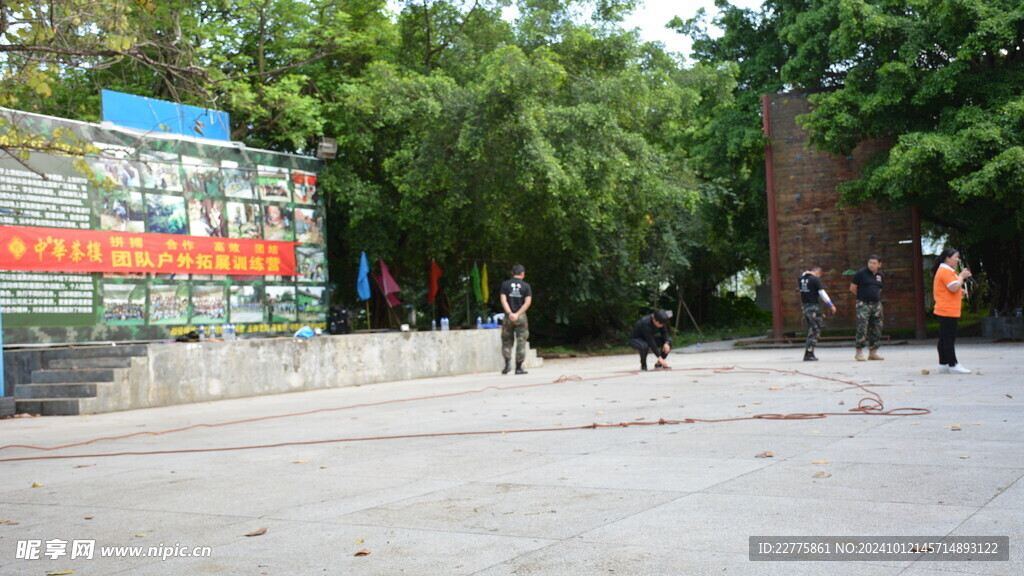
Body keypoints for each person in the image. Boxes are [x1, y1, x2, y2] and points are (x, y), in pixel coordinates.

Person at [932, 248, 973, 374]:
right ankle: (953, 364)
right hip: (947, 310)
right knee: (949, 339)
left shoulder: (947, 270)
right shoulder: (945, 270)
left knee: (944, 338)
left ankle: (943, 364)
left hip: (946, 308)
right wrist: (961, 276)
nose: (957, 259)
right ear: (947, 258)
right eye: (955, 257)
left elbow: (951, 288)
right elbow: (954, 286)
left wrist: (961, 290)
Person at [798, 265, 837, 361]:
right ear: (818, 273)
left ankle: (809, 352)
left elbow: (803, 276)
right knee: (815, 330)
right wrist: (831, 305)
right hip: (813, 307)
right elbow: (822, 293)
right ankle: (809, 353)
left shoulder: (801, 279)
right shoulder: (815, 280)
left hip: (806, 307)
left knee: (811, 329)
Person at [850, 255, 885, 361]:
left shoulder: (880, 275)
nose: (872, 265)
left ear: (879, 264)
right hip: (863, 303)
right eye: (870, 262)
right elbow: (852, 288)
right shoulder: (861, 273)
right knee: (862, 327)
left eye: (874, 263)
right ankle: (859, 351)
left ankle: (873, 352)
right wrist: (862, 297)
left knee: (876, 328)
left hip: (876, 304)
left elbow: (880, 288)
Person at [499, 264, 532, 375]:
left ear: (512, 273)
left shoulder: (505, 285)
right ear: (522, 274)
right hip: (521, 317)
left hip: (508, 316)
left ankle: (507, 364)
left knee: (507, 340)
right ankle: (518, 367)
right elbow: (528, 302)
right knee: (521, 341)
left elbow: (503, 300)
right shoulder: (526, 286)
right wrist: (517, 314)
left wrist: (510, 313)